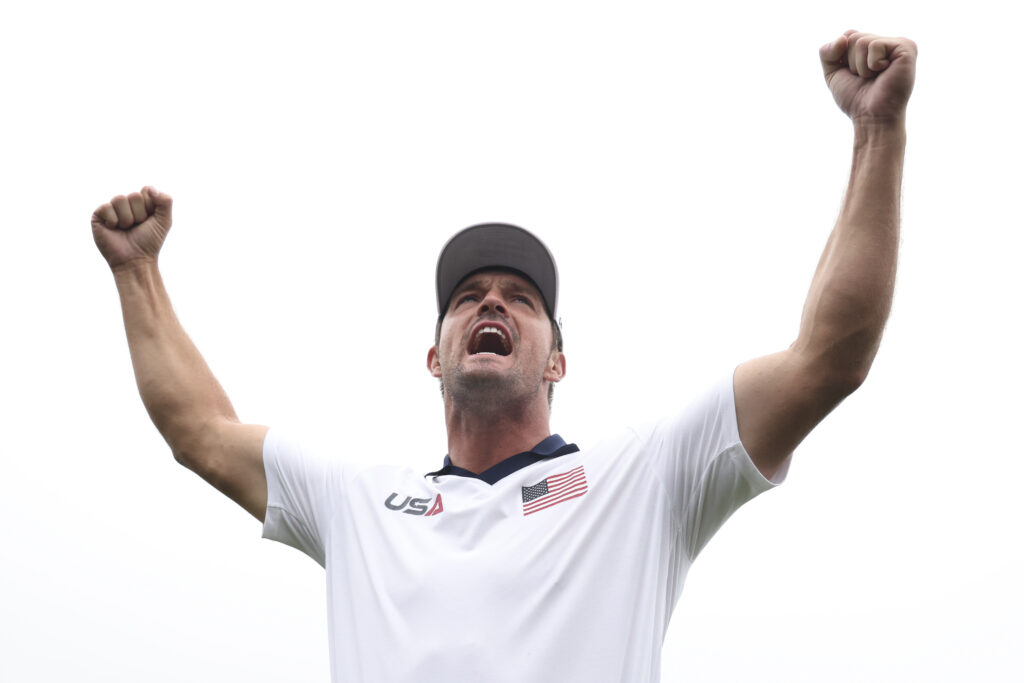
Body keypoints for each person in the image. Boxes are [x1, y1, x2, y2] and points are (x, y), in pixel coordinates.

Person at [91, 30, 917, 683]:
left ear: (558, 362)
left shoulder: (642, 476)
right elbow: (200, 431)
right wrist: (137, 272)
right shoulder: (358, 500)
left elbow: (828, 358)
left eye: (521, 297)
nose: (491, 302)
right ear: (434, 355)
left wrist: (876, 131)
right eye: (468, 296)